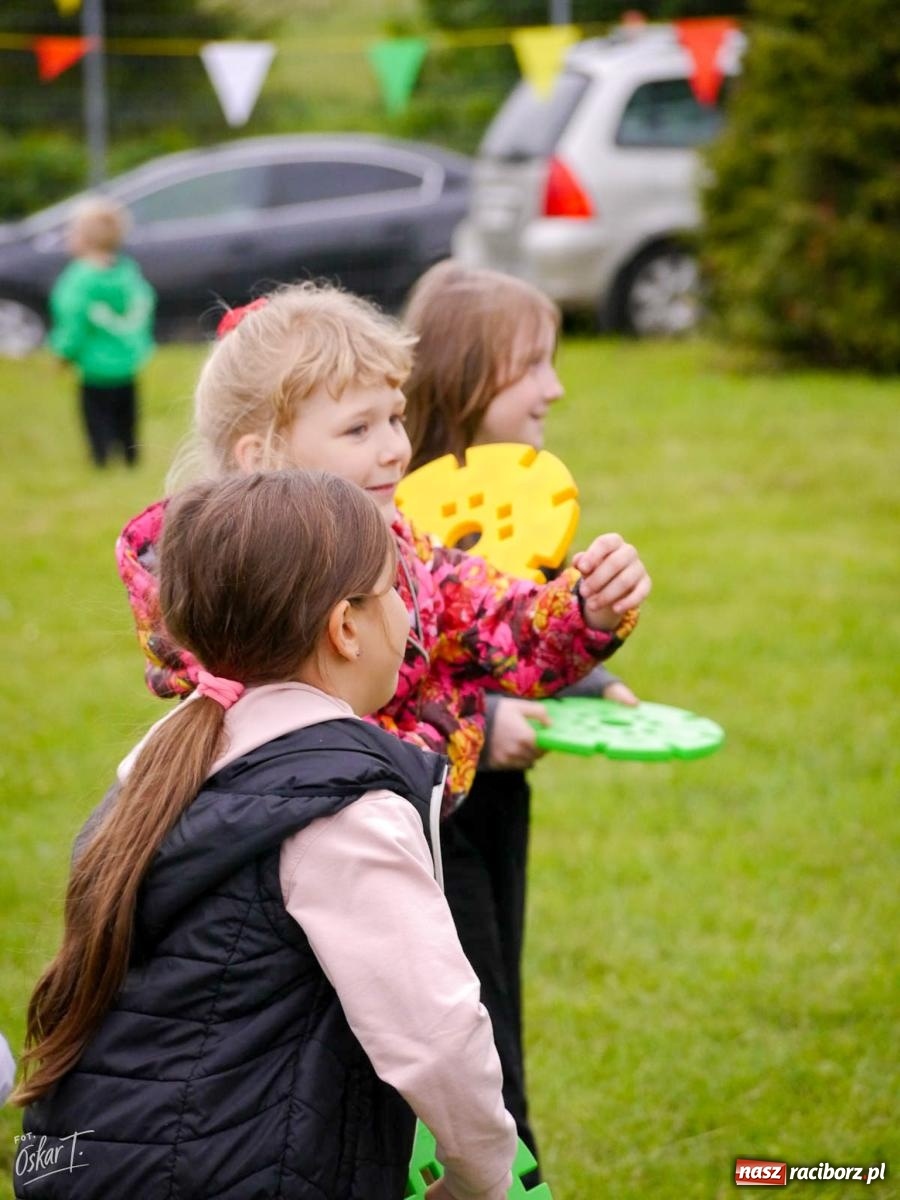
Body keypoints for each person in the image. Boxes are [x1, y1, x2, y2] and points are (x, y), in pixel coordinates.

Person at [12, 470, 517, 1200]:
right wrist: (482, 1180)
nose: (408, 616)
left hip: (94, 1165)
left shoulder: (163, 760)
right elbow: (438, 1039)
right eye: (395, 592)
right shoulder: (341, 805)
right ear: (345, 627)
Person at [117, 283, 650, 826]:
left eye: (395, 418)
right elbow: (293, 748)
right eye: (359, 428)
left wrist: (587, 605)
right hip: (300, 853)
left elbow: (500, 623)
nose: (396, 447)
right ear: (264, 458)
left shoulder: (405, 549)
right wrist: (426, 751)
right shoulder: (223, 591)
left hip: (399, 830)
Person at [403, 259, 639, 1173]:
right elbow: (403, 654)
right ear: (465, 372)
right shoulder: (401, 511)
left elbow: (513, 632)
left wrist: (583, 681)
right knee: (467, 1027)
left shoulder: (518, 500)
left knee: (499, 998)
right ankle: (500, 1172)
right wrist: (481, 714)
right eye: (533, 363)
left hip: (493, 807)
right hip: (421, 817)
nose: (557, 385)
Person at [48, 196, 155, 467]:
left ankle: (101, 459)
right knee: (127, 414)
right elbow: (144, 304)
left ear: (83, 240)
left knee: (96, 416)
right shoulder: (126, 272)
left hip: (94, 368)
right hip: (128, 363)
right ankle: (131, 457)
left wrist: (63, 352)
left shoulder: (79, 279)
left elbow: (72, 320)